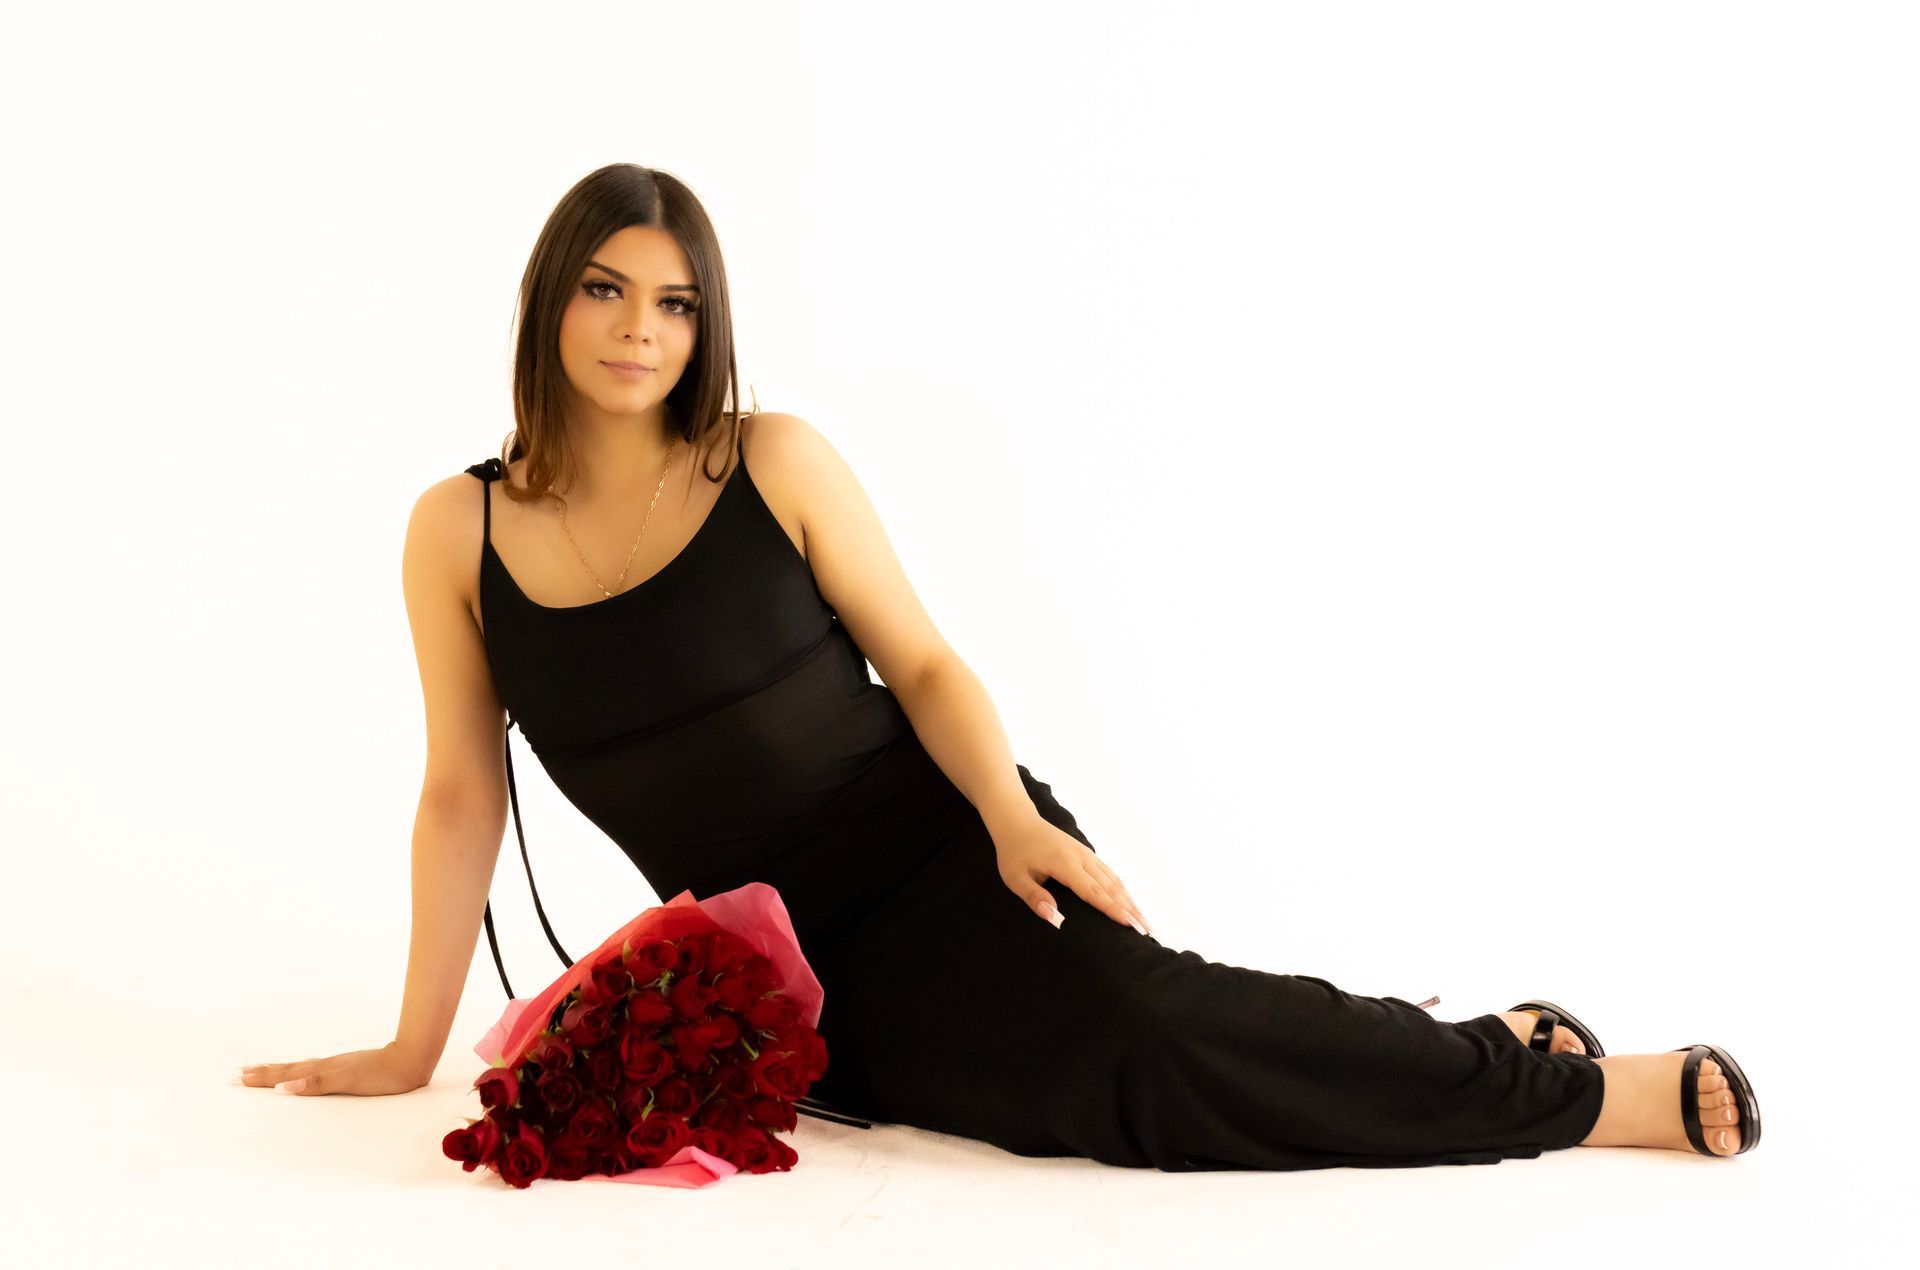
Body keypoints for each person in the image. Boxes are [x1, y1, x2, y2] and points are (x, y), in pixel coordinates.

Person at [241, 164, 1757, 1168]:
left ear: (707, 325)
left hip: (947, 844)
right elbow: (459, 798)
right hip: (780, 963)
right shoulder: (458, 531)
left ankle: (1579, 1092)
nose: (641, 328)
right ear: (548, 296)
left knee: (1149, 1027)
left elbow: (927, 662)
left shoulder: (769, 459)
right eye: (607, 289)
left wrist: (1013, 818)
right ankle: (1466, 1052)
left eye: (675, 300)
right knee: (1094, 1115)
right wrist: (409, 1045)